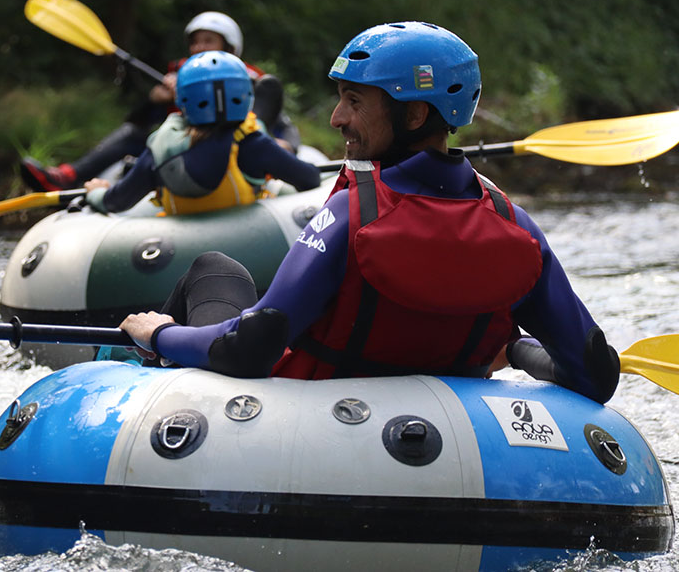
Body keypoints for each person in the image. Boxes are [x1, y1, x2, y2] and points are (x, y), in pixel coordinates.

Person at [117, 21, 621, 404]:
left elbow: (250, 347)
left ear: (415, 113)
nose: (337, 118)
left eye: (354, 101)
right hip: (457, 432)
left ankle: (123, 364)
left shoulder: (350, 216)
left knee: (215, 269)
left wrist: (158, 332)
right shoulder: (516, 225)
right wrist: (517, 351)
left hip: (305, 426)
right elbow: (595, 372)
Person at [19, 11, 301, 192]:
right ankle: (68, 176)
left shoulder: (247, 79)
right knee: (132, 135)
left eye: (208, 41)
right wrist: (154, 100)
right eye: (195, 42)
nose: (199, 48)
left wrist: (287, 145)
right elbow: (136, 124)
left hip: (231, 154)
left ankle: (126, 182)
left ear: (229, 48)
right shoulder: (180, 78)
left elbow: (281, 123)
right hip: (183, 153)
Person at [82, 50, 321, 215]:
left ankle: (257, 121)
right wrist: (277, 164)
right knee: (253, 132)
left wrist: (97, 192)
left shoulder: (160, 148)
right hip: (248, 231)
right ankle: (256, 121)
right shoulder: (254, 144)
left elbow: (116, 201)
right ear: (244, 94)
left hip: (174, 244)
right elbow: (310, 178)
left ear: (184, 99)